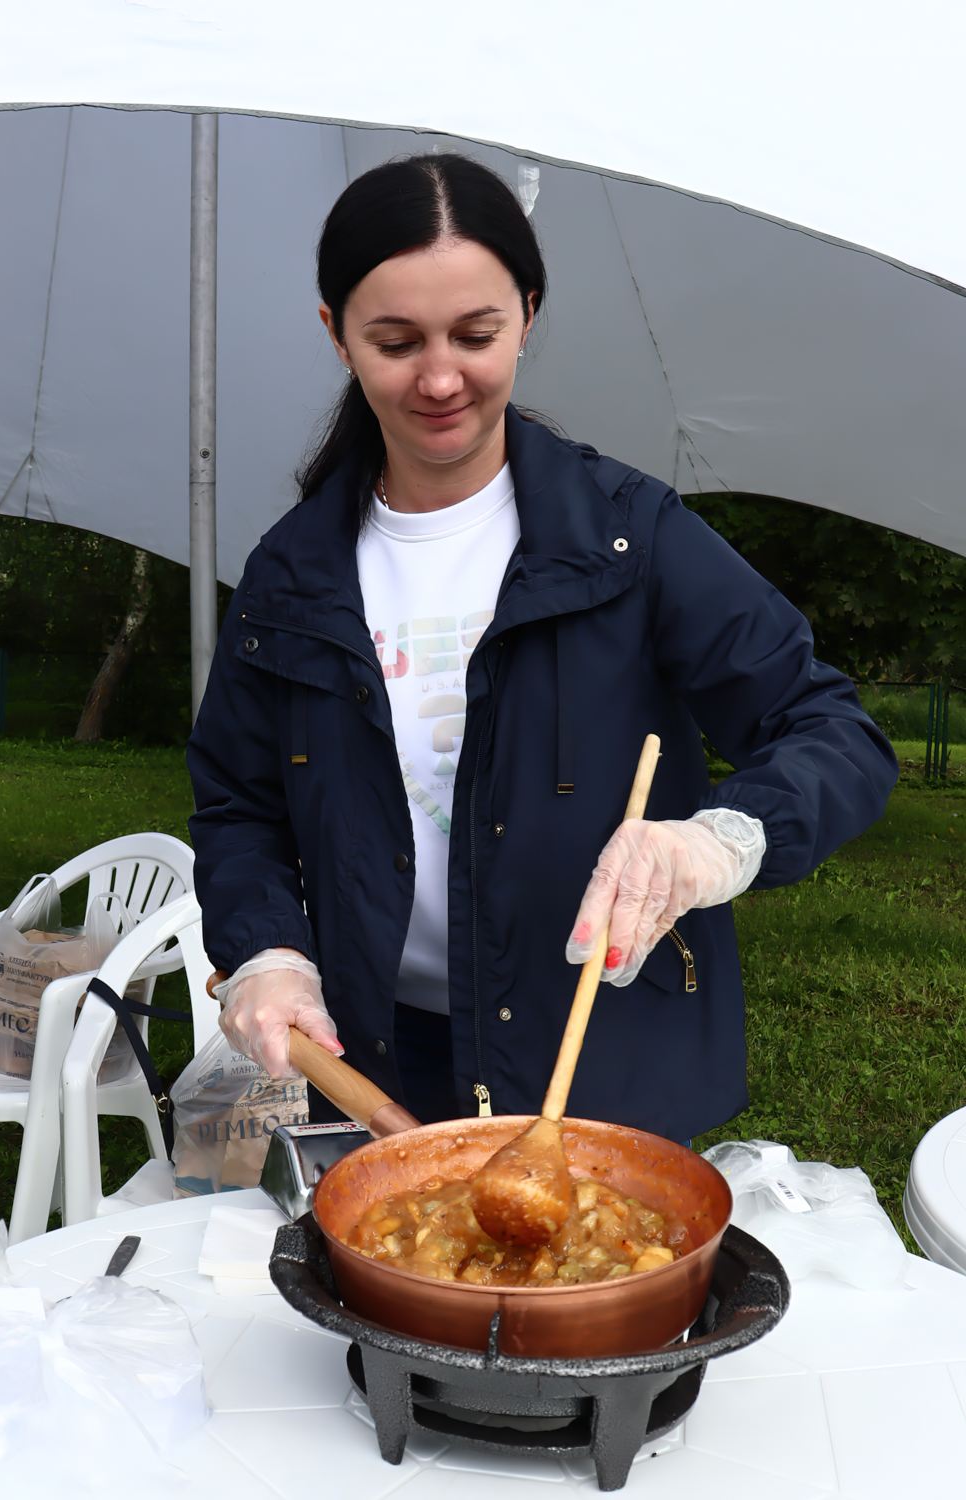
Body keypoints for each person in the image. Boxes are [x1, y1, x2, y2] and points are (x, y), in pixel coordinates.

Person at [187, 153, 897, 1143]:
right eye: (394, 341)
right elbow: (239, 806)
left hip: (604, 1064)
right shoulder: (291, 576)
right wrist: (266, 949)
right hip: (382, 1066)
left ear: (525, 313)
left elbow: (832, 731)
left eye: (475, 334)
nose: (439, 377)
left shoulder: (625, 536)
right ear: (336, 336)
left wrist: (717, 841)